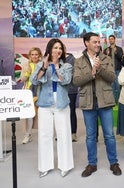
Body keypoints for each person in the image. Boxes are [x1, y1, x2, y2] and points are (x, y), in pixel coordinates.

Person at [73, 32, 122, 177]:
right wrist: (92, 73)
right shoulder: (79, 61)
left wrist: (100, 69)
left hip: (105, 102)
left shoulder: (106, 58)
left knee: (109, 135)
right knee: (90, 136)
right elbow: (76, 81)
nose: (98, 44)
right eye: (94, 42)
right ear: (86, 43)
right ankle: (92, 164)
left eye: (98, 42)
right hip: (88, 103)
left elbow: (112, 78)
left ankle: (114, 163)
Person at [30, 38, 74, 178]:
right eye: (55, 48)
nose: (58, 50)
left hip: (61, 104)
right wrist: (44, 67)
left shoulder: (66, 66)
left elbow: (66, 81)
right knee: (44, 135)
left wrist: (56, 67)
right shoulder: (41, 64)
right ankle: (45, 166)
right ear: (49, 49)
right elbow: (34, 80)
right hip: (45, 105)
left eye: (60, 48)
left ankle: (65, 165)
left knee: (64, 135)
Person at [20, 47, 42, 144]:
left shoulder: (42, 65)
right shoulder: (26, 65)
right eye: (32, 54)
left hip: (40, 91)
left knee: (42, 114)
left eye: (36, 54)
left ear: (39, 55)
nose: (34, 56)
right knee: (29, 115)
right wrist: (27, 73)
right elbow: (22, 79)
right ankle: (27, 135)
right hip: (29, 92)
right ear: (29, 56)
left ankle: (43, 135)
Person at [103, 34, 124, 103]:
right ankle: (112, 101)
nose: (111, 40)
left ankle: (117, 101)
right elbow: (104, 60)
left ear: (114, 40)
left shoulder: (119, 49)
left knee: (117, 86)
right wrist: (107, 54)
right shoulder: (106, 49)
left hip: (117, 69)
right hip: (109, 71)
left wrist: (116, 52)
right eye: (110, 39)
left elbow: (121, 58)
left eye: (112, 39)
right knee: (111, 86)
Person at [66, 49, 79, 142]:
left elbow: (75, 74)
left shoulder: (72, 59)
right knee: (60, 112)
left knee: (71, 111)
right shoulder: (57, 59)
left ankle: (73, 133)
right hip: (59, 91)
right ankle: (62, 133)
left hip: (71, 90)